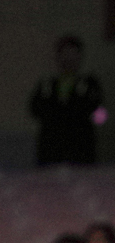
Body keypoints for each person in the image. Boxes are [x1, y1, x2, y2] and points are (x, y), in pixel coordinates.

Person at [32, 34, 105, 168]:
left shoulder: (90, 84)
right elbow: (34, 110)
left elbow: (100, 116)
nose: (68, 59)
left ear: (80, 56)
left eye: (73, 54)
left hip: (81, 152)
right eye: (64, 54)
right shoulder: (47, 85)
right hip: (51, 152)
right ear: (58, 57)